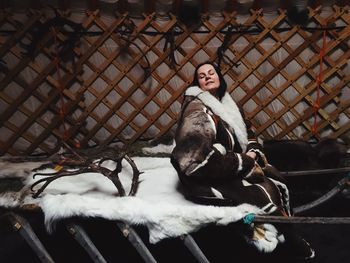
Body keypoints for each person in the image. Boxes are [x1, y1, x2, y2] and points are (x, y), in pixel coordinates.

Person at [170, 61, 315, 260]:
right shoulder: (197, 109)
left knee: (272, 175)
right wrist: (242, 161)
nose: (207, 77)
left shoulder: (226, 104)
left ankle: (283, 232)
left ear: (219, 78)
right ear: (198, 84)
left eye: (211, 72)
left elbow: (249, 133)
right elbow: (192, 157)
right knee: (260, 193)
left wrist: (253, 153)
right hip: (209, 173)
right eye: (202, 76)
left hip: (231, 163)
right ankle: (289, 239)